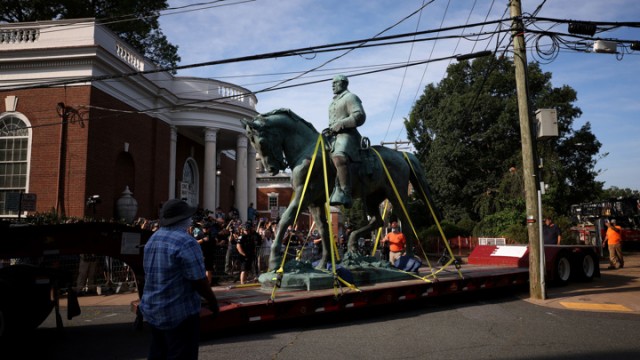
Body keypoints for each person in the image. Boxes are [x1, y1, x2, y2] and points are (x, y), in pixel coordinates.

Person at [139, 199, 219, 360]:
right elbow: (198, 280)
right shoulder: (186, 242)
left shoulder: (153, 239)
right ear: (183, 219)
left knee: (158, 352)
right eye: (189, 216)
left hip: (154, 308)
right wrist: (212, 301)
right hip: (179, 312)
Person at [327, 74, 366, 209]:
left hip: (348, 136)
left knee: (339, 157)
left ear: (343, 83)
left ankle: (345, 192)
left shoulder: (350, 97)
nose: (332, 85)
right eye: (332, 83)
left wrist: (341, 124)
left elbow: (359, 116)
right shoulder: (333, 102)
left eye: (335, 82)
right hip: (333, 136)